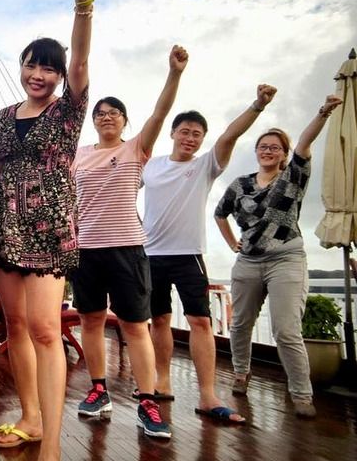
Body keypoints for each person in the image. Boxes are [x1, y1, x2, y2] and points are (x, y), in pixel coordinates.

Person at [0, 0, 91, 459]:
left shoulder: (67, 111)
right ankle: (30, 418)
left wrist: (82, 4)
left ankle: (53, 445)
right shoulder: (4, 117)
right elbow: (4, 174)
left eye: (50, 68)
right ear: (22, 66)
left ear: (61, 76)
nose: (39, 75)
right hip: (6, 224)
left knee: (47, 329)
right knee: (17, 327)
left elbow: (82, 64)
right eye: (33, 64)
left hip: (48, 227)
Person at [71, 45, 188, 439]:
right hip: (85, 248)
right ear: (94, 121)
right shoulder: (78, 155)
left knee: (136, 326)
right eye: (100, 114)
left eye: (113, 113)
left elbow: (161, 113)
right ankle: (98, 390)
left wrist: (174, 74)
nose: (106, 118)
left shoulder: (135, 148)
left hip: (127, 248)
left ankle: (148, 401)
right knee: (90, 320)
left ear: (124, 121)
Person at [143, 84, 278, 425]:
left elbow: (231, 135)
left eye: (197, 135)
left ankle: (207, 394)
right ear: (173, 133)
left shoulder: (206, 165)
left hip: (189, 256)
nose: (190, 138)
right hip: (150, 254)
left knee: (200, 321)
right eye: (185, 132)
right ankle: (161, 380)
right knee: (158, 319)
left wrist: (257, 105)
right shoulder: (151, 166)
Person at [214, 94, 343, 419]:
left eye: (274, 147)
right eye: (263, 146)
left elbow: (305, 141)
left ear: (285, 154)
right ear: (256, 152)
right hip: (248, 262)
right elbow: (220, 213)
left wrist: (323, 112)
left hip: (286, 260)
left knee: (286, 330)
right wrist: (232, 244)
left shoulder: (292, 178)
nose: (267, 150)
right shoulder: (240, 184)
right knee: (240, 324)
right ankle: (241, 373)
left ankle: (301, 393)